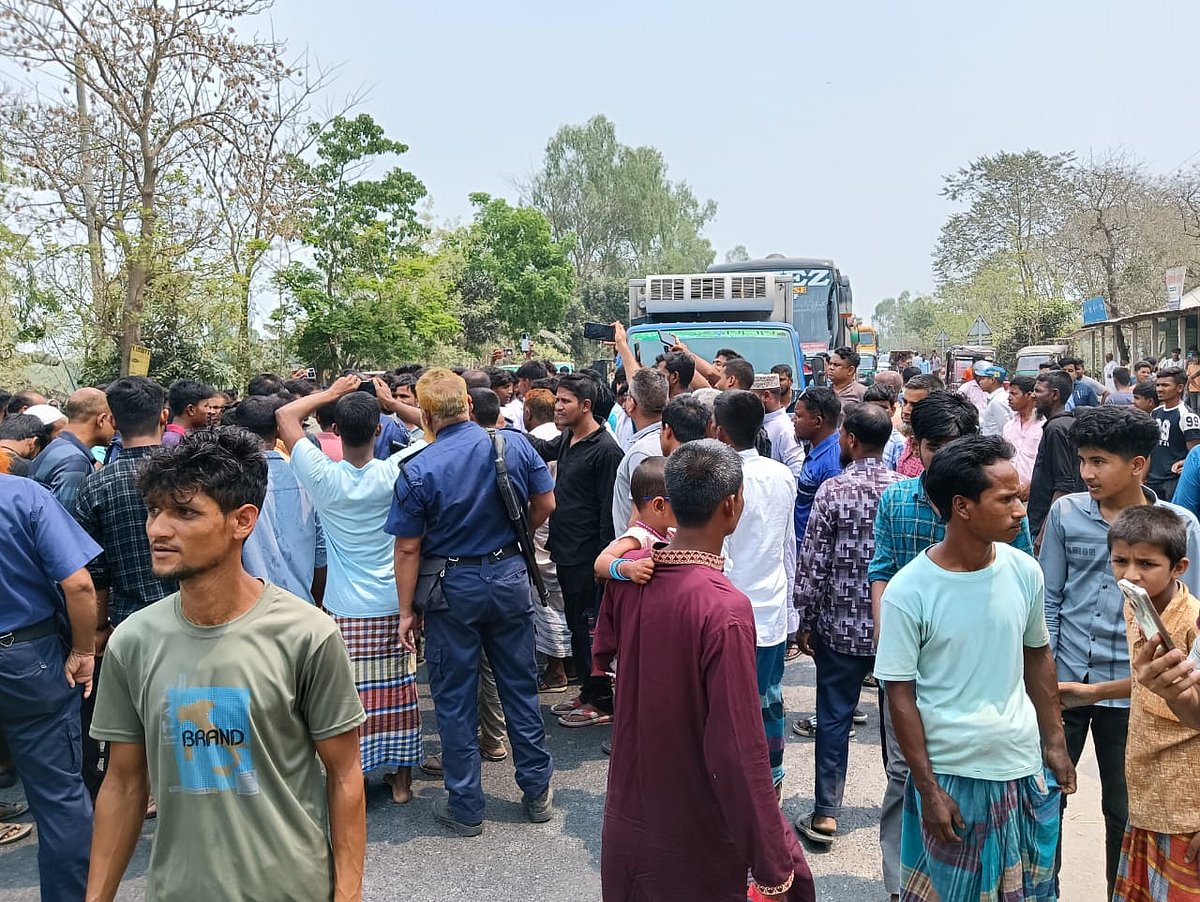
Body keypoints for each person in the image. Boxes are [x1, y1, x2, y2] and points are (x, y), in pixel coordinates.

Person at [85, 428, 368, 901]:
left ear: (242, 521)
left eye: (185, 513)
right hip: (177, 889)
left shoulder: (306, 635)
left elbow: (344, 775)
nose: (157, 529)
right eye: (154, 510)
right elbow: (124, 782)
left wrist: (349, 894)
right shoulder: (133, 641)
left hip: (291, 888)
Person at [594, 439, 816, 902]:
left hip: (631, 809)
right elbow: (737, 746)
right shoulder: (724, 608)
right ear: (732, 504)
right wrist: (773, 862)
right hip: (691, 822)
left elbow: (605, 655)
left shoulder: (633, 575)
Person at [875, 435, 1076, 901]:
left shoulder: (1025, 572)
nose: (1020, 511)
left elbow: (1037, 655)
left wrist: (1055, 741)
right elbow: (899, 694)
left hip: (1021, 772)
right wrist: (926, 789)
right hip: (951, 779)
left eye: (1019, 498)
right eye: (1005, 500)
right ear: (962, 506)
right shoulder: (909, 593)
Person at [387, 368, 556, 836]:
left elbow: (407, 548)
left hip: (451, 587)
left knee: (455, 698)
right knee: (519, 687)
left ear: (425, 413)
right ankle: (536, 790)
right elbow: (546, 504)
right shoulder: (513, 445)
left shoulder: (418, 468)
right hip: (508, 577)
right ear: (467, 403)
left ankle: (466, 805)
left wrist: (406, 611)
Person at [1040, 406, 1200, 894]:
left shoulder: (1179, 526)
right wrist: (1046, 679)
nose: (1087, 472)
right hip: (1066, 682)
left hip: (1137, 697)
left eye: (1099, 461)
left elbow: (1183, 627)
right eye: (1083, 460)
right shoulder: (1066, 512)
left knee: (1124, 812)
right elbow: (1049, 599)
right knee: (1046, 802)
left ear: (1136, 465)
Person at [276, 377, 421, 805]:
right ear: (380, 430)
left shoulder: (321, 475)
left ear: (335, 432)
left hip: (343, 606)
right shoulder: (399, 470)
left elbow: (285, 416)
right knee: (399, 689)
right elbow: (439, 428)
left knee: (349, 697)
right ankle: (401, 781)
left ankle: (350, 774)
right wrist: (391, 401)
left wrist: (331, 393)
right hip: (396, 603)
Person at [793, 403, 901, 847]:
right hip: (894, 627)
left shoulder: (834, 491)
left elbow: (814, 562)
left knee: (834, 718)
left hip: (839, 628)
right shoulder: (904, 489)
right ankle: (902, 806)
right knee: (898, 720)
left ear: (851, 439)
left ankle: (826, 813)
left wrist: (804, 616)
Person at [0, 473, 98, 898]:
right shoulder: (21, 495)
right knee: (58, 796)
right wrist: (83, 650)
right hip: (26, 656)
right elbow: (77, 582)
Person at [1106, 508, 1200, 899]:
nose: (1130, 575)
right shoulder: (1137, 606)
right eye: (1120, 561)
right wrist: (1094, 692)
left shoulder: (1191, 624)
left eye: (1146, 564)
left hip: (1187, 806)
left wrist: (1172, 691)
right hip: (1148, 792)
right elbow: (1149, 681)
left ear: (1179, 567)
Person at [525, 374, 624, 728]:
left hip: (589, 556)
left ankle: (602, 699)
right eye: (556, 400)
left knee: (589, 628)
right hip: (565, 550)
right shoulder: (568, 437)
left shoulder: (607, 450)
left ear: (585, 406)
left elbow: (607, 511)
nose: (557, 407)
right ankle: (587, 689)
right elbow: (541, 450)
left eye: (565, 401)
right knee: (575, 625)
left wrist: (604, 563)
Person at [713, 390, 798, 797]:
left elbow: (722, 554)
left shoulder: (721, 480)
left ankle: (736, 787)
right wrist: (792, 610)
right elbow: (788, 548)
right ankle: (771, 782)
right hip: (771, 609)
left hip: (730, 611)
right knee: (768, 699)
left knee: (729, 706)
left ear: (720, 431)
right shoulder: (781, 474)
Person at [232, 395, 326, 604]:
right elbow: (321, 551)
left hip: (248, 608)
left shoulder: (229, 483)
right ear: (278, 431)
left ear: (238, 429)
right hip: (301, 603)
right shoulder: (305, 477)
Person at [789, 387, 843, 658]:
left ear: (818, 421)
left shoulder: (832, 462)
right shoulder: (817, 451)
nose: (793, 420)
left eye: (799, 415)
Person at [28, 387, 113, 511]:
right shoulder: (75, 462)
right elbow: (63, 521)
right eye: (112, 419)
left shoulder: (56, 447)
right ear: (101, 420)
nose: (115, 427)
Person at [594, 456, 674, 585]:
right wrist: (628, 568)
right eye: (679, 501)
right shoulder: (639, 536)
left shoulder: (670, 533)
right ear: (659, 506)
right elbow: (601, 562)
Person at [1026, 369, 1085, 545]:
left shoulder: (1056, 429)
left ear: (1054, 395)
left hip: (1049, 522)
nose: (1033, 396)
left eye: (1038, 391)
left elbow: (1064, 484)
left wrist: (1045, 531)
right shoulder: (1061, 424)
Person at [611, 368, 668, 532]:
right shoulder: (662, 440)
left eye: (627, 396)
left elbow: (639, 516)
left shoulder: (642, 452)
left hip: (636, 551)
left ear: (631, 404)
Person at [1148, 366, 1200, 502]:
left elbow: (1195, 452)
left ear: (1180, 388)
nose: (1159, 389)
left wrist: (1185, 462)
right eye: (1158, 385)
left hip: (1173, 481)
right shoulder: (1155, 412)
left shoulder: (1187, 416)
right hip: (1153, 478)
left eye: (1165, 385)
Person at [756, 372, 805, 479]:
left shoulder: (785, 429)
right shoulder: (757, 423)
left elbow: (797, 470)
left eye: (752, 397)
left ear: (766, 396)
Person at [1001, 374, 1043, 495]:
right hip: (1011, 491)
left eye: (1014, 394)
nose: (1009, 398)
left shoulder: (1043, 426)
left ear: (1030, 395)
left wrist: (1032, 483)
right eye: (1009, 394)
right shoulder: (1008, 427)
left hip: (1035, 492)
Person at [895, 374, 943, 477]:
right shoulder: (910, 439)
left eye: (914, 405)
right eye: (905, 402)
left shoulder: (939, 445)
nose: (906, 410)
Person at [162, 379, 220, 447]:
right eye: (206, 406)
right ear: (191, 410)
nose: (210, 411)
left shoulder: (167, 437)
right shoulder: (177, 442)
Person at [864, 383, 906, 471]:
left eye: (883, 408)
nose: (877, 412)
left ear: (892, 410)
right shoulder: (854, 438)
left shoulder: (899, 444)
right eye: (872, 407)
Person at [975, 361, 1012, 437]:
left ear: (992, 380)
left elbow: (1005, 429)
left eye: (983, 379)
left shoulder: (997, 402)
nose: (980, 382)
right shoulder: (998, 398)